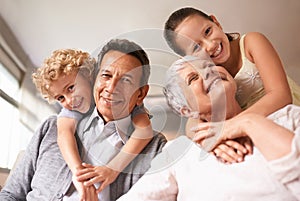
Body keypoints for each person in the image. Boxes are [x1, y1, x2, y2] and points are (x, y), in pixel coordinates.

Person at [0, 39, 167, 201]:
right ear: (95, 78)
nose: (111, 87)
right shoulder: (53, 126)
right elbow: (11, 194)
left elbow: (144, 130)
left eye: (126, 80)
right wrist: (78, 172)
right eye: (106, 75)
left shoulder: (154, 147)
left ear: (141, 94)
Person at [116, 55, 300, 201]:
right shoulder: (179, 152)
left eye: (210, 66)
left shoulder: (289, 117)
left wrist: (248, 122)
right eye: (193, 77)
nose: (208, 73)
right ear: (186, 109)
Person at [163, 7, 300, 162]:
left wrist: (228, 128)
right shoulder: (209, 75)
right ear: (188, 57)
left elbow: (281, 95)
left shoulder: (251, 42)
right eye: (196, 47)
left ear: (216, 22)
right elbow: (193, 120)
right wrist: (208, 140)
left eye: (208, 31)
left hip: (288, 114)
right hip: (257, 131)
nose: (209, 45)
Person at [31, 48, 154, 199]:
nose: (69, 100)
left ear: (90, 77)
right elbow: (64, 134)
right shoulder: (73, 109)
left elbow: (145, 131)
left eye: (71, 88)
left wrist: (112, 169)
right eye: (60, 98)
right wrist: (78, 173)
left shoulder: (126, 104)